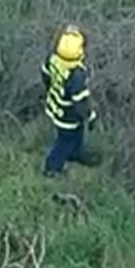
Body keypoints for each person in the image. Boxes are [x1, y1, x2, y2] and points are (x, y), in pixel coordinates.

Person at [40, 24, 97, 177]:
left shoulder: (52, 59)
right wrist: (90, 117)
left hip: (55, 106)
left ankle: (75, 154)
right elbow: (81, 102)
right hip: (68, 115)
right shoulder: (76, 75)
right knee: (65, 141)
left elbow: (45, 75)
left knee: (76, 136)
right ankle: (52, 168)